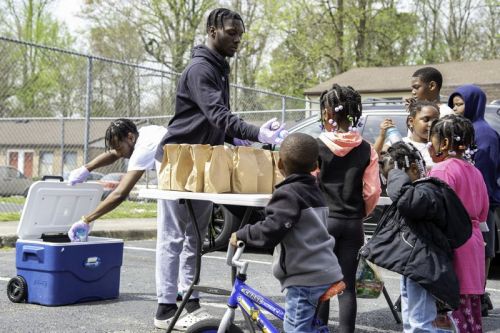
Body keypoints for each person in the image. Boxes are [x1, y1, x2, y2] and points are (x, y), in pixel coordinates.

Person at [152, 8, 287, 330]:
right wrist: (255, 132)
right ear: (212, 30)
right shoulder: (201, 69)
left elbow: (217, 122)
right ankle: (164, 308)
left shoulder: (218, 68)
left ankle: (189, 299)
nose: (237, 39)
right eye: (231, 32)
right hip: (178, 159)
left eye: (240, 34)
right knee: (173, 236)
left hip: (203, 159)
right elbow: (216, 114)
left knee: (194, 236)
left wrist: (240, 136)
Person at [230, 132, 344, 333]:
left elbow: (271, 230)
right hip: (324, 269)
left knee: (295, 329)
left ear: (280, 164)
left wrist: (243, 234)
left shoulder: (288, 194)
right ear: (315, 165)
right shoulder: (314, 189)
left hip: (305, 278)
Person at [362, 141, 472, 332]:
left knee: (420, 323)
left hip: (424, 269)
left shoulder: (426, 190)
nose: (394, 185)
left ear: (413, 168)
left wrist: (395, 172)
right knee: (413, 321)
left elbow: (407, 201)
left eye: (396, 178)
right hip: (417, 268)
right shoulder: (420, 191)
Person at [315, 84, 381, 333]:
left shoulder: (317, 146)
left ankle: (320, 328)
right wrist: (362, 212)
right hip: (353, 223)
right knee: (346, 286)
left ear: (327, 113)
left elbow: (310, 182)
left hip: (324, 221)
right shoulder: (366, 148)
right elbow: (372, 191)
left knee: (322, 283)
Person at [428, 114, 489, 332]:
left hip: (452, 244)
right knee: (470, 310)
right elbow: (482, 214)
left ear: (443, 143)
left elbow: (436, 211)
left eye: (433, 139)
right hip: (473, 242)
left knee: (449, 314)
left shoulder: (442, 170)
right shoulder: (475, 171)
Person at [67, 119, 167, 241]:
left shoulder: (142, 150)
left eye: (120, 148)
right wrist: (86, 168)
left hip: (179, 183)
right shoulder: (144, 132)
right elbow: (114, 154)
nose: (119, 154)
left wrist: (86, 220)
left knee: (168, 234)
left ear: (130, 137)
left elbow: (120, 194)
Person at [448, 84, 500, 316]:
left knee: (481, 254)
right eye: (454, 104)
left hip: (480, 205)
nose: (456, 109)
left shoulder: (484, 133)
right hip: (464, 204)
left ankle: (476, 298)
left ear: (474, 103)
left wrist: (479, 205)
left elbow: (486, 173)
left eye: (460, 104)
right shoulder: (465, 129)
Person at [374, 100, 440, 170]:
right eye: (426, 120)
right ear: (411, 121)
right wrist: (382, 136)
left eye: (435, 121)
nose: (431, 124)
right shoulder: (399, 143)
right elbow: (374, 159)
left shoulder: (441, 146)